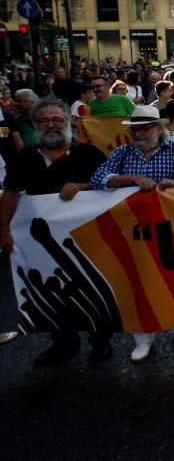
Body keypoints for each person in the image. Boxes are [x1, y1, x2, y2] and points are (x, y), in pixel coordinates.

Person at [0, 98, 111, 366]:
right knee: (52, 290)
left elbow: (110, 187)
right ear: (36, 125)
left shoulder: (90, 154)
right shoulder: (26, 156)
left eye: (57, 120)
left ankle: (100, 340)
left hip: (85, 238)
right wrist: (2, 228)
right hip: (42, 242)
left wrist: (83, 186)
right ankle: (64, 340)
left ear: (68, 122)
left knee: (92, 288)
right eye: (44, 121)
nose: (51, 126)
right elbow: (12, 192)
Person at [88, 105, 174, 362]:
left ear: (158, 128)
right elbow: (98, 178)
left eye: (145, 128)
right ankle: (142, 335)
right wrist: (133, 178)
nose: (139, 133)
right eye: (135, 129)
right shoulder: (122, 153)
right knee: (135, 280)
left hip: (166, 225)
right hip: (131, 230)